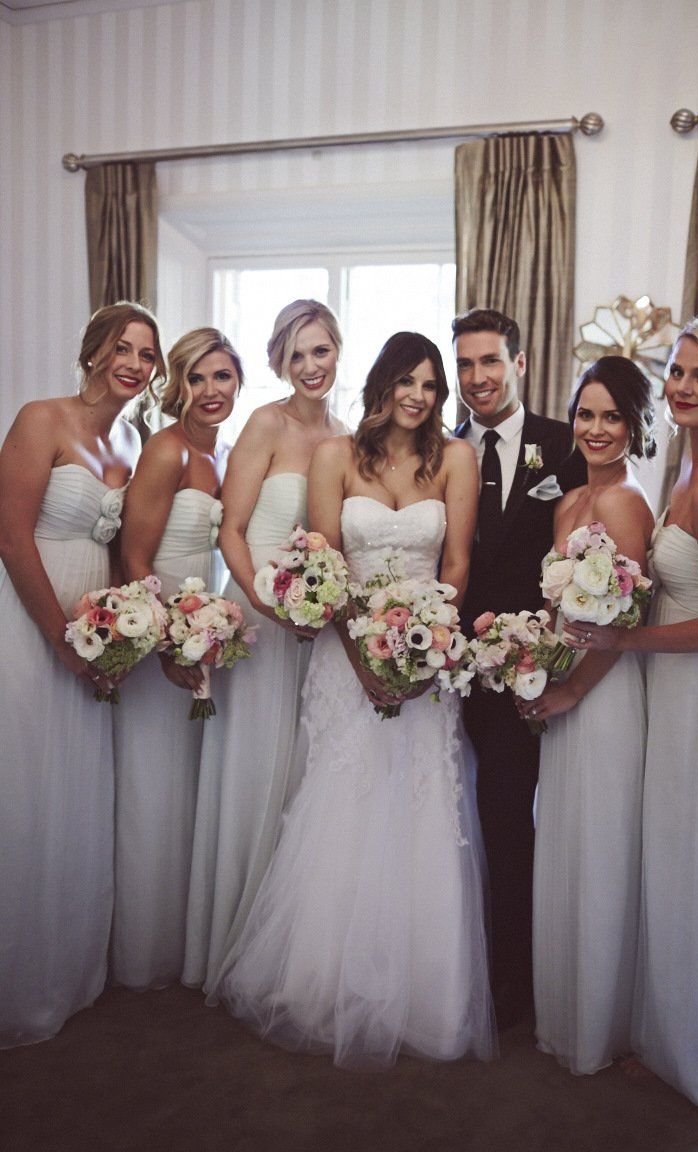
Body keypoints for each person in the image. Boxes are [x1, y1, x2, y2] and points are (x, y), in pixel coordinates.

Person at [216, 332, 496, 1068]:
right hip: (347, 663)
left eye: (431, 386)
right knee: (345, 802)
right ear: (381, 383)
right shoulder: (335, 457)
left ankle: (423, 990)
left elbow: (458, 562)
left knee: (419, 806)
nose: (419, 396)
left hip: (427, 664)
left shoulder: (456, 459)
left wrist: (427, 646)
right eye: (407, 380)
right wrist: (365, 654)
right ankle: (324, 982)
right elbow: (325, 566)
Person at [570, 313, 698, 1114]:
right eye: (678, 372)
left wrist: (625, 636)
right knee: (674, 866)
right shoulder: (692, 463)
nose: (683, 388)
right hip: (676, 690)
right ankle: (674, 1038)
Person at [0, 302, 165, 1047]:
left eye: (147, 354)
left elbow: (127, 550)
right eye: (123, 347)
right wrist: (58, 637)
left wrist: (115, 638)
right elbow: (9, 536)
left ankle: (64, 972)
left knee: (74, 793)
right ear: (95, 350)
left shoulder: (132, 439)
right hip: (29, 620)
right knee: (24, 791)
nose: (134, 362)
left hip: (92, 632)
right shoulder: (42, 418)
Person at [183, 300, 346, 996]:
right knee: (254, 773)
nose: (311, 366)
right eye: (297, 354)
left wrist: (322, 604)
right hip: (258, 617)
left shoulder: (346, 435)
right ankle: (227, 937)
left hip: (317, 627)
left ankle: (282, 948)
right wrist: (269, 605)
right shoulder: (265, 424)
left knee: (305, 778)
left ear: (339, 350)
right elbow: (233, 529)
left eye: (322, 351)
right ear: (281, 360)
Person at [516, 356, 655, 1074]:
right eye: (585, 414)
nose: (595, 429)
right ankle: (565, 1014)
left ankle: (599, 1027)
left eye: (611, 416)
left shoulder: (627, 502)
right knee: (563, 840)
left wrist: (571, 689)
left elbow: (627, 624)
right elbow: (556, 611)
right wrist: (527, 659)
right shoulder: (569, 500)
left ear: (633, 425)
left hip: (602, 696)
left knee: (598, 848)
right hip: (564, 687)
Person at [453, 307, 586, 1026]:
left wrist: (547, 650)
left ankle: (516, 983)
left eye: (490, 362)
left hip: (526, 666)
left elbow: (581, 557)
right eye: (466, 365)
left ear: (521, 363)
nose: (477, 379)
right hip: (446, 665)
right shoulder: (445, 450)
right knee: (455, 821)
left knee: (509, 819)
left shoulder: (565, 445)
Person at [112, 328, 242, 990]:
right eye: (197, 378)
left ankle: (177, 943)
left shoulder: (218, 455)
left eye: (222, 377)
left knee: (186, 791)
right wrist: (163, 645)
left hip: (197, 632)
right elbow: (134, 558)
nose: (211, 391)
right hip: (161, 635)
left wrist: (202, 632)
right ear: (177, 386)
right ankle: (142, 955)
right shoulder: (165, 451)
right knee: (152, 789)